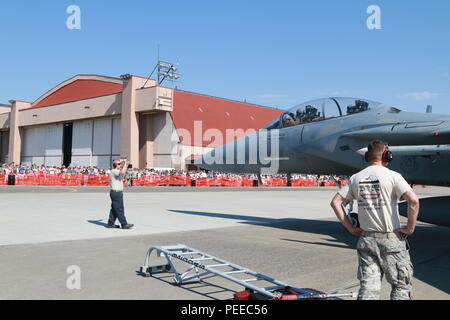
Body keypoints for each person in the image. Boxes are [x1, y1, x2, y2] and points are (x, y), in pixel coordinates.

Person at [330, 140, 419, 300]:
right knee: (400, 286)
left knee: (369, 288)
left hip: (366, 240)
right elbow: (413, 201)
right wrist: (409, 228)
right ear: (387, 155)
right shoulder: (393, 176)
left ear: (367, 156)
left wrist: (351, 228)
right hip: (390, 241)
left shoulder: (356, 178)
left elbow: (335, 202)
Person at [107, 159, 134, 229]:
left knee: (114, 209)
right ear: (116, 165)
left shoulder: (117, 171)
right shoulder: (114, 171)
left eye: (120, 163)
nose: (120, 165)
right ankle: (124, 224)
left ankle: (110, 223)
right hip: (116, 193)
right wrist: (125, 163)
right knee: (119, 209)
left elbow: (121, 176)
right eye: (119, 164)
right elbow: (122, 172)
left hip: (117, 192)